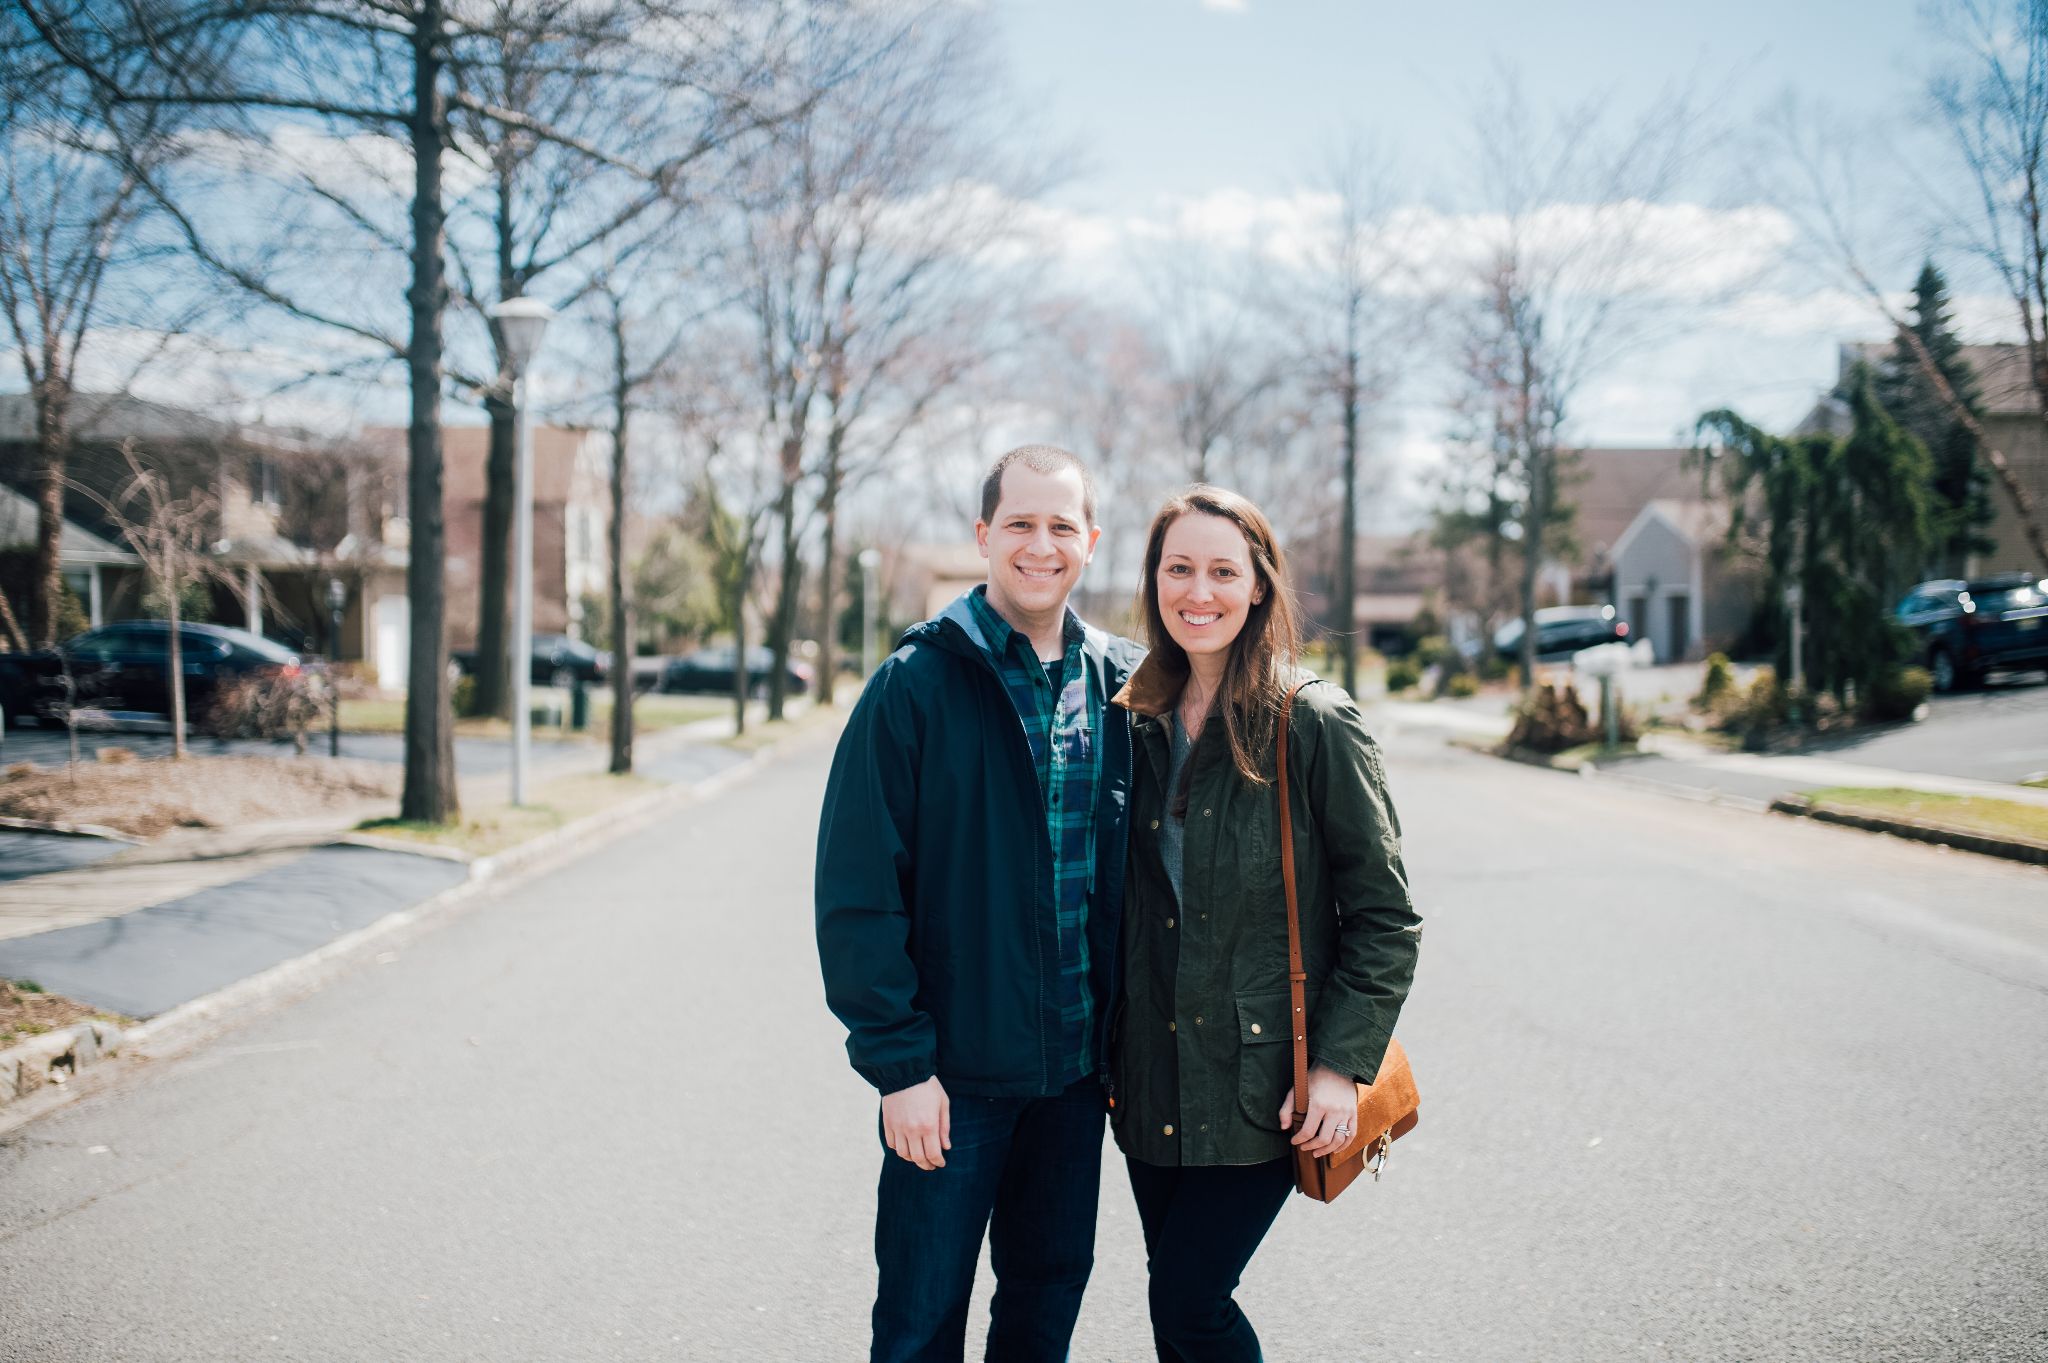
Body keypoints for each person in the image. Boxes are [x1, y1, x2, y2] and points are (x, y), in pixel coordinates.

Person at [815, 445, 1146, 1363]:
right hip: (948, 1086)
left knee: (1043, 1312)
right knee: (920, 1323)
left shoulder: (1124, 687)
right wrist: (899, 1068)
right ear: (983, 536)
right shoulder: (913, 686)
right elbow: (857, 896)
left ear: (1091, 541)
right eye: (1020, 524)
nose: (1041, 546)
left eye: (1061, 526)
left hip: (1077, 1083)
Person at [1108, 484, 1421, 1361]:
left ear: (1258, 587)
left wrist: (1336, 1066)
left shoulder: (1312, 720)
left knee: (1190, 1299)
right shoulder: (1132, 720)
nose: (1197, 592)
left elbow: (1386, 916)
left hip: (1263, 1085)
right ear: (1154, 581)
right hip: (1150, 1078)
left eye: (1221, 571)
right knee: (1177, 1302)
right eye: (1179, 569)